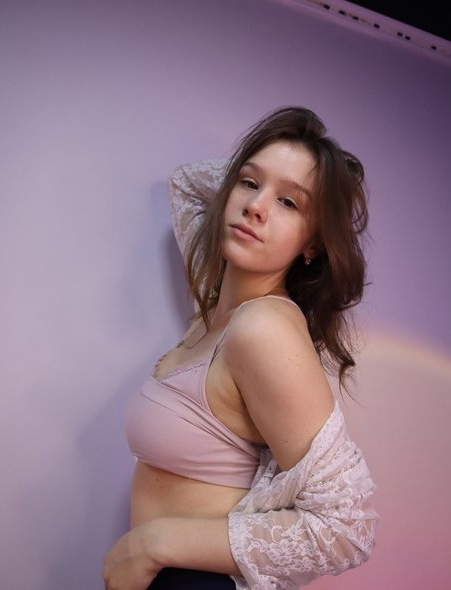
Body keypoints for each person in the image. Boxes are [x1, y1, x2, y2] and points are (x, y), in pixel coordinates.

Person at [103, 106, 378, 590]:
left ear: (312, 244)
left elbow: (346, 528)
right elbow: (187, 182)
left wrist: (152, 543)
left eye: (289, 203)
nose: (256, 207)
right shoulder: (216, 306)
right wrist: (273, 176)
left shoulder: (262, 328)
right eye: (249, 184)